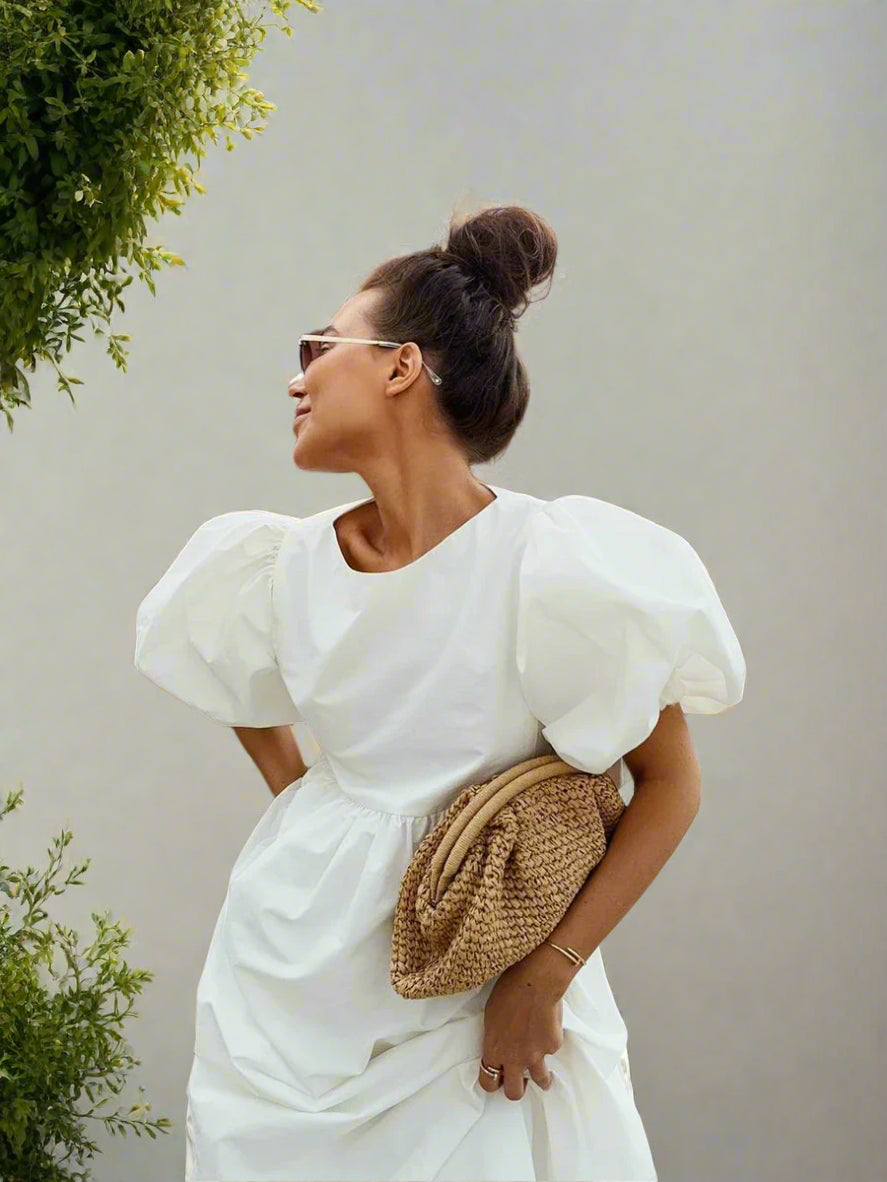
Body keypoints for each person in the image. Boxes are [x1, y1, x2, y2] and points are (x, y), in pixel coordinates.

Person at [133, 204, 746, 1182]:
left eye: (320, 344)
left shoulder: (550, 566)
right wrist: (317, 817)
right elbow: (228, 677)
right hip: (291, 984)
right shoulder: (279, 566)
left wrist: (545, 975)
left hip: (483, 977)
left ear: (399, 365)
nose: (297, 375)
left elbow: (669, 785)